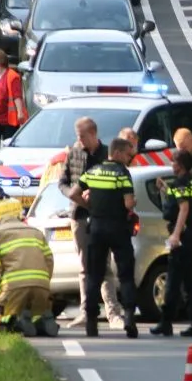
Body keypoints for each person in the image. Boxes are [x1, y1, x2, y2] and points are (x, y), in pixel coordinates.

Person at [68, 138, 139, 338]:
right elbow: (128, 204)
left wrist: (89, 206)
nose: (128, 158)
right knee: (125, 275)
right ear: (116, 153)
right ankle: (130, 319)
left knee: (94, 275)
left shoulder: (93, 171)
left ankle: (91, 323)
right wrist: (134, 201)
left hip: (97, 228)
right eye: (126, 154)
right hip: (118, 228)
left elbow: (73, 193)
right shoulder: (123, 173)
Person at [60, 117, 125, 331]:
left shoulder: (107, 154)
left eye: (81, 136)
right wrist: (74, 195)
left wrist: (96, 196)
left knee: (103, 265)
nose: (78, 140)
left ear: (93, 134)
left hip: (102, 216)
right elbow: (62, 182)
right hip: (78, 214)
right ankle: (86, 311)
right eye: (77, 136)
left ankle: (113, 313)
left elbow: (118, 181)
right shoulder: (74, 153)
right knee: (84, 266)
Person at [151, 151, 192, 337]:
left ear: (180, 165)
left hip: (183, 238)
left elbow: (183, 208)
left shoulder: (180, 183)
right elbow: (182, 201)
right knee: (190, 284)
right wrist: (165, 190)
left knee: (173, 283)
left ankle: (166, 323)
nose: (171, 164)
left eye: (173, 162)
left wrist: (175, 235)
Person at [0, 200, 57, 337]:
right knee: (37, 311)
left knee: (2, 320)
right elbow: (49, 260)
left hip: (14, 287)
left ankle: (16, 323)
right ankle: (41, 321)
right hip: (41, 286)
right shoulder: (35, 232)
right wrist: (44, 283)